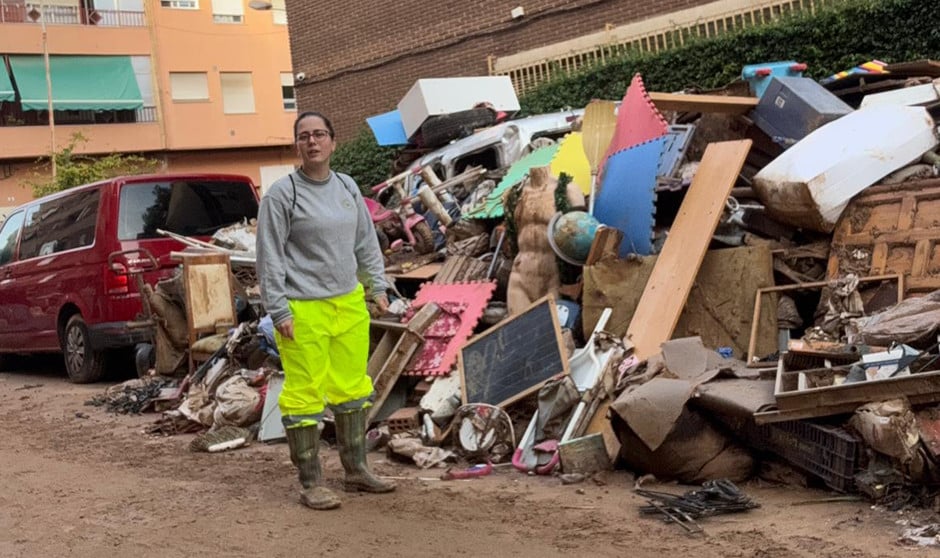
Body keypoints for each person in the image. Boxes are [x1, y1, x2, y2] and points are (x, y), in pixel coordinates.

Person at [256, 111, 395, 510]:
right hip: (302, 309)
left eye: (319, 134)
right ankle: (311, 480)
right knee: (304, 395)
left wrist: (378, 285)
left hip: (348, 302)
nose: (312, 142)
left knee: (353, 389)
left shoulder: (347, 187)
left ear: (333, 141)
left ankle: (356, 471)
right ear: (296, 146)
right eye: (304, 136)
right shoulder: (283, 195)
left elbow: (365, 241)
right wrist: (278, 309)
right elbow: (270, 256)